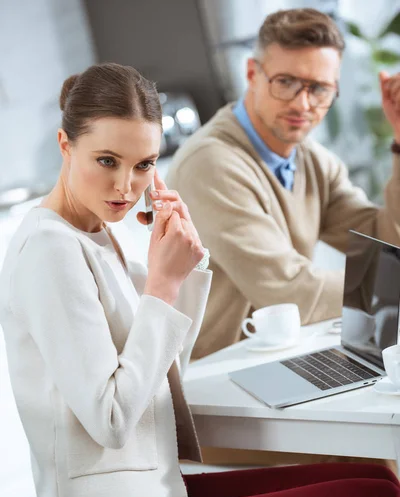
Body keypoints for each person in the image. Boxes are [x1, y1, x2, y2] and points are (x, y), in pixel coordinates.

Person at [1, 62, 400, 497]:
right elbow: (113, 419)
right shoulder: (50, 250)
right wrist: (162, 286)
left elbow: (160, 376)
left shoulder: (94, 234)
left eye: (143, 164)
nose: (125, 186)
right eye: (106, 161)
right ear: (65, 145)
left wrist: (182, 266)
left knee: (379, 481)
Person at [166, 8, 400, 472]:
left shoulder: (310, 158)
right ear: (253, 73)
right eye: (286, 82)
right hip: (223, 398)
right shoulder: (212, 163)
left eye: (319, 89)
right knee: (378, 459)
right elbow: (292, 291)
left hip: (283, 366)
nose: (302, 103)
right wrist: (389, 282)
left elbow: (385, 239)